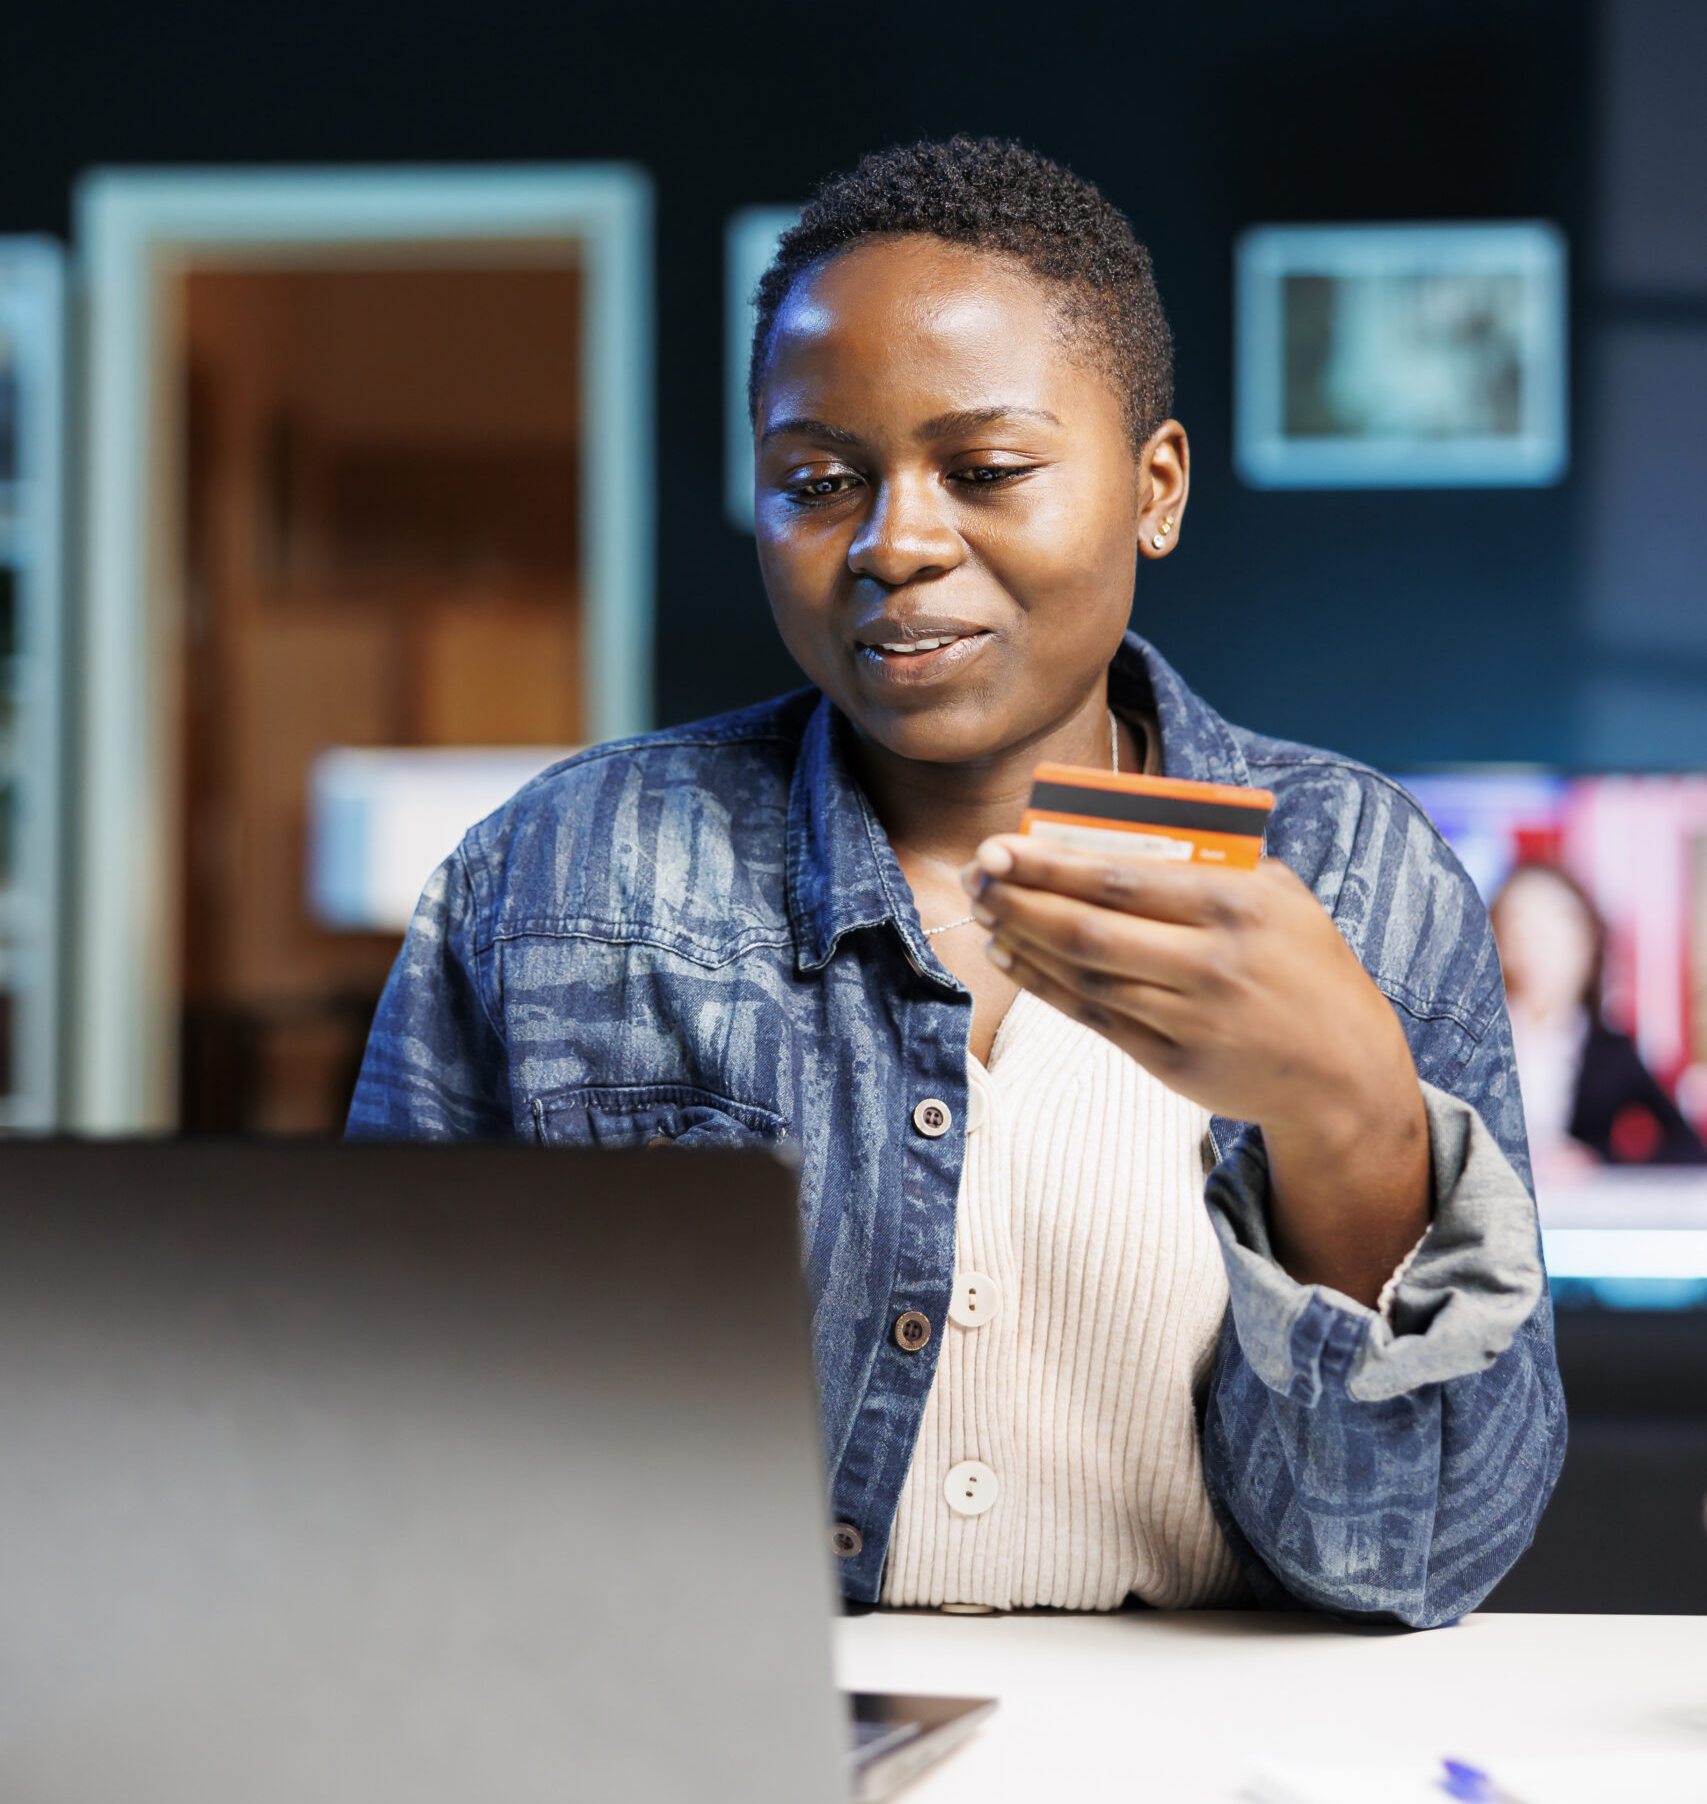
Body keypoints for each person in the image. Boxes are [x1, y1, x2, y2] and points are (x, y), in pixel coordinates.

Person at [350, 136, 1564, 1627]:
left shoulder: (1357, 878)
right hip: (726, 1770)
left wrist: (1352, 1123)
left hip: (1203, 1794)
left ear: (1153, 487)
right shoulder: (554, 876)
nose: (894, 542)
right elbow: (385, 1453)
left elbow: (1419, 1562)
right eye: (815, 481)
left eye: (984, 470)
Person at [1491, 860, 1706, 1171]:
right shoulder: (1470, 1042)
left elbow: (1688, 1149)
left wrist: (1597, 1163)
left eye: (1552, 930)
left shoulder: (1610, 1050)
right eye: (1517, 929)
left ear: (1587, 941)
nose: (1534, 947)